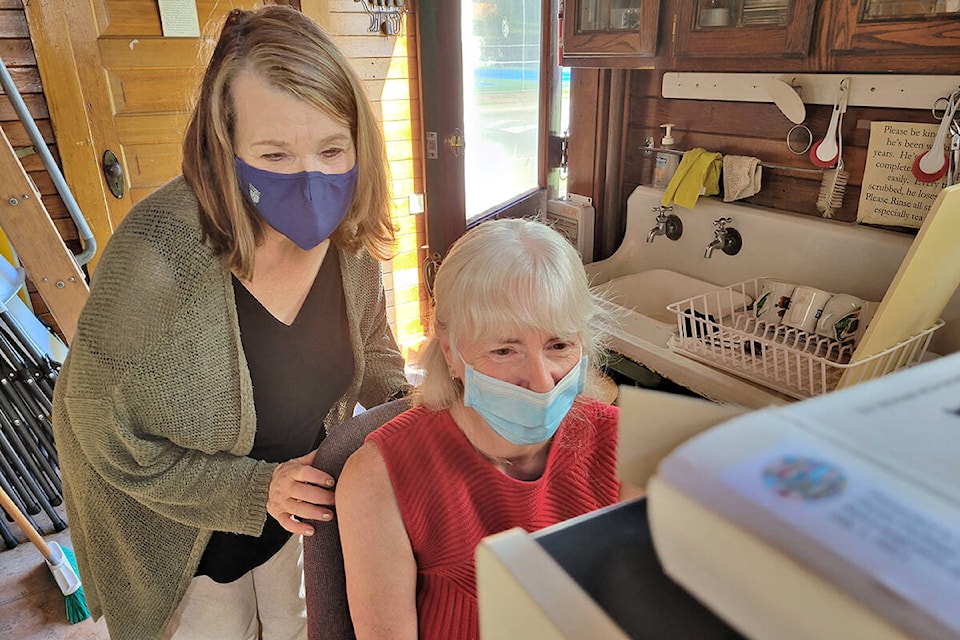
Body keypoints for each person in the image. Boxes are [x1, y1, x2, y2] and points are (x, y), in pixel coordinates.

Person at [51, 6, 410, 640]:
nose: (313, 181)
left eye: (332, 149)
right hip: (178, 527)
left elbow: (375, 354)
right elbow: (100, 430)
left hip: (293, 500)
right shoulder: (157, 252)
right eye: (274, 154)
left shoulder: (348, 238)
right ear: (224, 146)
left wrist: (422, 409)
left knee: (294, 622)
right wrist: (253, 490)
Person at [336, 218, 644, 639]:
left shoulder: (629, 446)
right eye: (505, 349)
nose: (541, 380)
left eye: (559, 345)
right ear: (451, 352)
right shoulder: (378, 479)